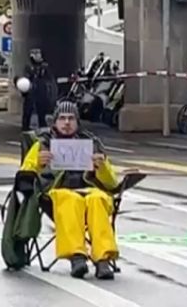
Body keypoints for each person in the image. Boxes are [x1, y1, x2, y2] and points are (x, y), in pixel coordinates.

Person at [20, 100, 119, 280]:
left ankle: (103, 260)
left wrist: (102, 167)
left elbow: (112, 183)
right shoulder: (43, 143)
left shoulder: (91, 143)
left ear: (77, 122)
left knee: (98, 199)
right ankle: (77, 257)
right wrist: (36, 164)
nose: (66, 123)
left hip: (89, 191)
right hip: (56, 193)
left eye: (71, 118)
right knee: (69, 199)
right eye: (62, 118)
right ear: (55, 122)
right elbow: (23, 176)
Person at [19, 48, 56, 131]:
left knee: (41, 114)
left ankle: (42, 131)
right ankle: (26, 130)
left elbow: (50, 80)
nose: (37, 56)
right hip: (30, 94)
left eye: (38, 53)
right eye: (35, 54)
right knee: (27, 113)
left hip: (41, 94)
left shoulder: (45, 67)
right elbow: (25, 79)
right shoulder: (28, 67)